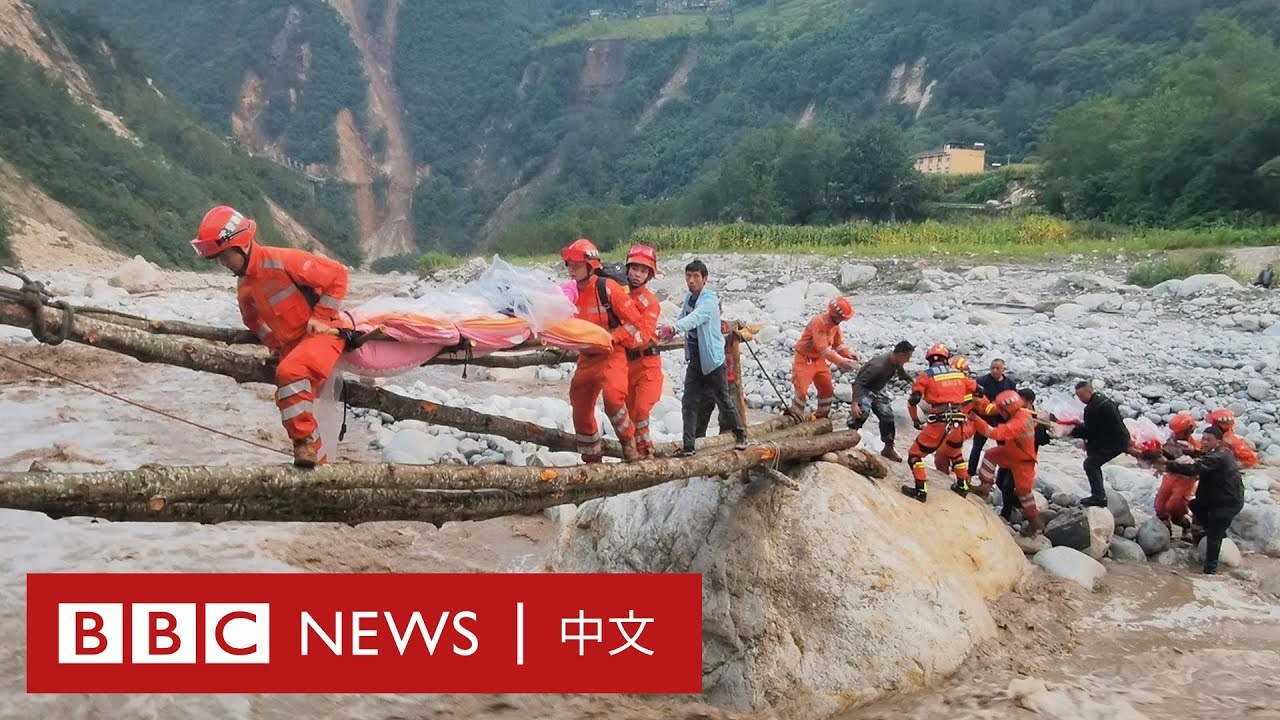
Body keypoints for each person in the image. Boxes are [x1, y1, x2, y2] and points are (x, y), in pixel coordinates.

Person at [191, 206, 349, 467]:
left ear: (240, 245)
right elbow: (252, 320)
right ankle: (319, 465)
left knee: (290, 373)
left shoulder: (284, 260)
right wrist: (274, 344)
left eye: (225, 256)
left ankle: (304, 444)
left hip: (324, 334)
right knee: (291, 395)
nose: (224, 263)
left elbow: (338, 275)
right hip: (292, 344)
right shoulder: (245, 287)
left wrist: (321, 317)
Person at [562, 238, 644, 463]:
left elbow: (634, 321)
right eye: (569, 264)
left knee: (614, 399)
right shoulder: (569, 294)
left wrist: (612, 337)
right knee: (579, 403)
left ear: (590, 266)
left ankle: (629, 445)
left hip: (611, 354)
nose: (571, 269)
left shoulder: (607, 288)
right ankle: (591, 458)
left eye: (576, 265)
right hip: (587, 357)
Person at [659, 260, 747, 456]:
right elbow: (683, 317)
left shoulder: (708, 301)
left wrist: (674, 328)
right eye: (688, 276)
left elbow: (695, 318)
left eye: (696, 277)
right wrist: (667, 330)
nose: (691, 281)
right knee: (688, 402)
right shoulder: (690, 298)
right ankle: (689, 446)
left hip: (713, 361)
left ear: (705, 279)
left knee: (723, 399)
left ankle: (741, 434)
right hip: (696, 361)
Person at [1158, 426, 1244, 574]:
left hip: (1226, 503)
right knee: (1195, 505)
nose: (1204, 442)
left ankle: (1209, 571)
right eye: (1203, 439)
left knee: (1213, 536)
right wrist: (1190, 452)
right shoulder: (1220, 453)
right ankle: (1216, 533)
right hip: (1216, 499)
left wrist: (1166, 464)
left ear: (1218, 442)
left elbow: (1194, 468)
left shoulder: (1218, 457)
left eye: (1208, 440)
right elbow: (1203, 457)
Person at [902, 343, 976, 502]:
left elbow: (914, 400)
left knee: (915, 455)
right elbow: (978, 390)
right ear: (946, 359)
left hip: (938, 423)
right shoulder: (959, 374)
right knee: (954, 453)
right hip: (958, 424)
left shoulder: (926, 375)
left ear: (929, 360)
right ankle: (962, 486)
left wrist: (916, 420)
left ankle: (920, 490)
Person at [968, 390, 1045, 536]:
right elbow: (989, 408)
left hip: (1023, 460)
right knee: (990, 455)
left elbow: (994, 433)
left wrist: (976, 420)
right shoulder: (1016, 409)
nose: (1000, 413)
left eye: (1002, 411)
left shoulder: (1019, 421)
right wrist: (978, 396)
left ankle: (1034, 521)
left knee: (1024, 493)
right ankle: (985, 486)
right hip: (1011, 452)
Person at [621, 244, 663, 458]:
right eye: (634, 269)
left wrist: (618, 339)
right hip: (626, 365)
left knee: (641, 411)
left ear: (649, 275)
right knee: (627, 413)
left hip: (647, 364)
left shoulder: (650, 303)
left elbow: (644, 334)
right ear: (627, 269)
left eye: (643, 270)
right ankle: (635, 452)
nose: (637, 274)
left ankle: (647, 452)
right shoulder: (619, 295)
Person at [790, 298, 858, 420]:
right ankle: (794, 417)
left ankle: (821, 418)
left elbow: (838, 344)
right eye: (841, 318)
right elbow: (823, 348)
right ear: (834, 314)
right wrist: (841, 362)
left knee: (827, 389)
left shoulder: (835, 325)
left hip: (818, 359)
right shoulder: (819, 321)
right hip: (804, 359)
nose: (842, 321)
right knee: (801, 390)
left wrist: (848, 354)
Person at [847, 340, 915, 462]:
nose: (908, 360)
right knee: (862, 412)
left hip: (878, 389)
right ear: (901, 355)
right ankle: (848, 438)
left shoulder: (896, 362)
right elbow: (858, 383)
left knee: (888, 416)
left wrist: (913, 381)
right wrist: (855, 403)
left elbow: (901, 372)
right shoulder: (878, 365)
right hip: (865, 389)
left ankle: (888, 448)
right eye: (907, 357)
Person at [991, 388, 1052, 519]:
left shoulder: (1035, 418)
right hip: (1009, 454)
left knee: (1009, 486)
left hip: (1023, 459)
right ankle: (1018, 504)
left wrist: (1037, 427)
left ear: (1029, 402)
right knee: (1000, 482)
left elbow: (1043, 440)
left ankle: (1008, 512)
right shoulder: (1012, 412)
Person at [1070, 381, 1130, 507]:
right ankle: (1098, 494)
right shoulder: (1103, 401)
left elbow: (1090, 431)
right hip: (1117, 439)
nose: (1080, 400)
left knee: (1090, 464)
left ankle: (1099, 497)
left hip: (1114, 442)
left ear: (1089, 392)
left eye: (1081, 396)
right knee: (1093, 462)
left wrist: (1071, 431)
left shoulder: (1093, 407)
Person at [1152, 412, 1202, 538]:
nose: (1176, 434)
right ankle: (1165, 534)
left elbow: (1199, 465)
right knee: (1160, 505)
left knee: (1174, 507)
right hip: (1171, 475)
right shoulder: (1170, 439)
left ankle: (1186, 527)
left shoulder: (1195, 447)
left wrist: (1193, 453)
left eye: (1179, 431)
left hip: (1185, 479)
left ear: (1189, 431)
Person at [968, 358, 1017, 475]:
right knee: (977, 447)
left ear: (1003, 369)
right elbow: (974, 399)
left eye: (998, 368)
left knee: (1003, 448)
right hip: (984, 418)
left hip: (1002, 420)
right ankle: (970, 472)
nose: (994, 371)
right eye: (992, 368)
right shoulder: (982, 381)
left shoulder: (1010, 383)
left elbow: (1014, 400)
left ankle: (1003, 473)